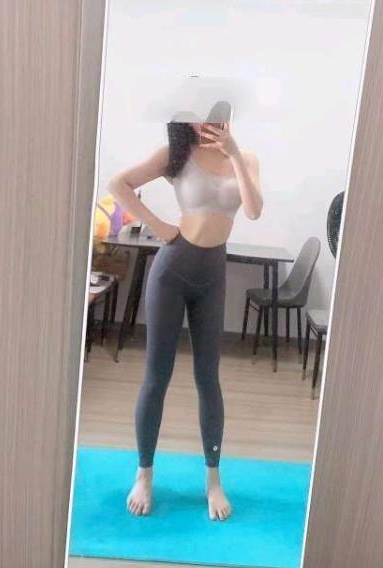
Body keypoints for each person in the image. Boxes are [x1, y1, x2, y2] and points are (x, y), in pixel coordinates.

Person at [107, 113, 263, 521]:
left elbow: (253, 210)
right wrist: (159, 226)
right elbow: (118, 184)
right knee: (157, 376)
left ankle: (213, 481)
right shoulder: (175, 154)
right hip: (172, 271)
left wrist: (234, 154)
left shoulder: (245, 157)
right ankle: (144, 475)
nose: (206, 120)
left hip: (213, 276)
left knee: (208, 378)